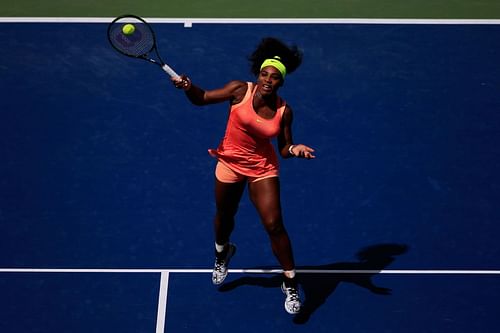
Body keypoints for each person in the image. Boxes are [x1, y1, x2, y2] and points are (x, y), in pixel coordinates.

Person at [172, 37, 315, 315]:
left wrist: (295, 149)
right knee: (225, 216)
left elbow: (284, 148)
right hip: (229, 162)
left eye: (274, 77)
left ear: (281, 83)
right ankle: (223, 251)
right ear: (258, 75)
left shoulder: (285, 111)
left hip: (262, 167)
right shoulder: (240, 91)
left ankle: (290, 281)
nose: (268, 80)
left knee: (274, 224)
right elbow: (202, 99)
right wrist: (188, 88)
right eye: (264, 74)